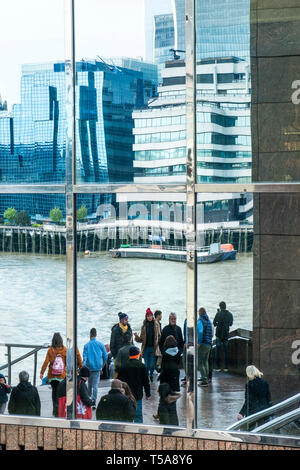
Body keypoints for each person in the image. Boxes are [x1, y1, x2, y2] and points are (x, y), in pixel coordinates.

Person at [40, 332, 83, 417]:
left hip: (52, 376)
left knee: (54, 393)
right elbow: (68, 362)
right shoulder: (64, 349)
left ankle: (55, 411)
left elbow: (46, 362)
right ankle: (60, 410)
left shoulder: (50, 350)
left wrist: (42, 372)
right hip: (61, 376)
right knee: (60, 394)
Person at [117, 346, 151, 423]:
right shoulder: (141, 366)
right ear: (138, 355)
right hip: (137, 394)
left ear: (130, 355)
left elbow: (119, 380)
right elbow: (146, 381)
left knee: (127, 414)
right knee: (138, 415)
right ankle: (138, 431)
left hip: (127, 394)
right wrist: (148, 393)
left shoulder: (124, 365)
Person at [134, 307, 161, 382]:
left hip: (153, 348)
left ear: (152, 316)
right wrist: (136, 336)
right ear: (146, 317)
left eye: (150, 316)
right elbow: (141, 339)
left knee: (152, 365)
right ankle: (146, 377)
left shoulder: (156, 325)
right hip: (145, 348)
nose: (149, 317)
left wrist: (158, 341)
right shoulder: (143, 326)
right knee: (146, 365)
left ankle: (151, 374)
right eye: (148, 316)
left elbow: (159, 335)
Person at [83, 328, 108, 407]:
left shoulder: (86, 345)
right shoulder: (100, 344)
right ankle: (94, 401)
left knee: (89, 385)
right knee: (95, 385)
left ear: (90, 335)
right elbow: (106, 356)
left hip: (89, 368)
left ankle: (89, 399)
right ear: (96, 335)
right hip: (97, 368)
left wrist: (83, 368)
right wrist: (102, 365)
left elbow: (84, 358)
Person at [110, 312, 133, 378]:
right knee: (117, 373)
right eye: (125, 319)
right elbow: (112, 344)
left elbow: (132, 342)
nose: (127, 320)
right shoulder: (115, 330)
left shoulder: (129, 328)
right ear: (121, 320)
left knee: (127, 373)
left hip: (128, 354)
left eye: (127, 319)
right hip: (118, 355)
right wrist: (115, 356)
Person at [213, 301, 233, 372]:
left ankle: (217, 367)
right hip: (226, 334)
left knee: (217, 351)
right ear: (225, 306)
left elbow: (214, 323)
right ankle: (226, 367)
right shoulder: (230, 314)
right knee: (226, 351)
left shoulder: (218, 314)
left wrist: (218, 314)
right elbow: (231, 324)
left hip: (218, 334)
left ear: (220, 307)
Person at [198, 307, 213, 387]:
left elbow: (200, 332)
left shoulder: (200, 321)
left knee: (200, 362)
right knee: (205, 362)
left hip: (203, 344)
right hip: (209, 344)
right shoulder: (209, 321)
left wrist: (199, 342)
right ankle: (206, 378)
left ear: (200, 313)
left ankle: (204, 380)